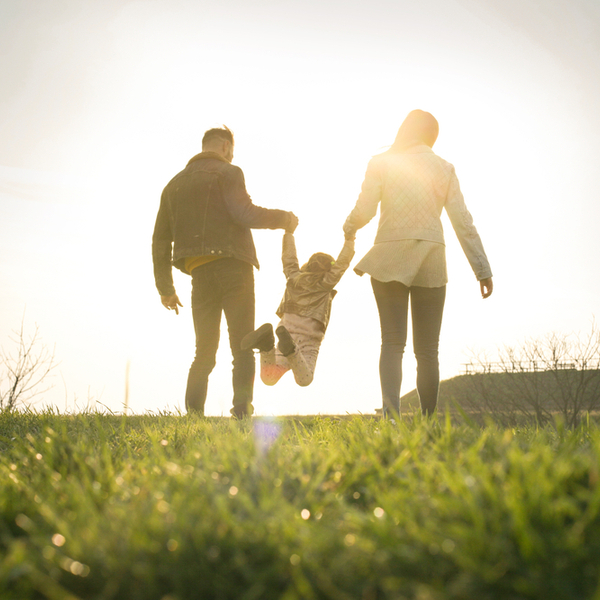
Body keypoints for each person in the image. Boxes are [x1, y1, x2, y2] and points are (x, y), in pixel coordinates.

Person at [343, 109, 493, 418]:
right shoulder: (445, 168)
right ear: (433, 137)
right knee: (427, 351)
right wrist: (482, 269)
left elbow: (365, 210)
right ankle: (428, 421)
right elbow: (462, 222)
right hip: (431, 258)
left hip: (389, 256)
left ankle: (390, 417)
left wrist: (349, 226)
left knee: (392, 342)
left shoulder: (382, 163)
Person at [152, 126, 298, 418]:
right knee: (242, 345)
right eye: (231, 151)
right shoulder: (230, 173)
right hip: (234, 267)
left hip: (199, 273)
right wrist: (285, 219)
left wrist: (165, 288)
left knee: (203, 352)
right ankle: (242, 412)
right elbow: (245, 213)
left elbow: (159, 240)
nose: (231, 156)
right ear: (225, 148)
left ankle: (194, 416)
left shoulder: (173, 185)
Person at [241, 231, 355, 387]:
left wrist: (289, 234)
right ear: (329, 271)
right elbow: (342, 264)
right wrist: (350, 240)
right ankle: (291, 350)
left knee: (269, 378)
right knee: (305, 379)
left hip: (286, 334)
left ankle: (266, 344)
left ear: (308, 265)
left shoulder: (293, 277)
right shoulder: (326, 283)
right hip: (308, 341)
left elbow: (289, 259)